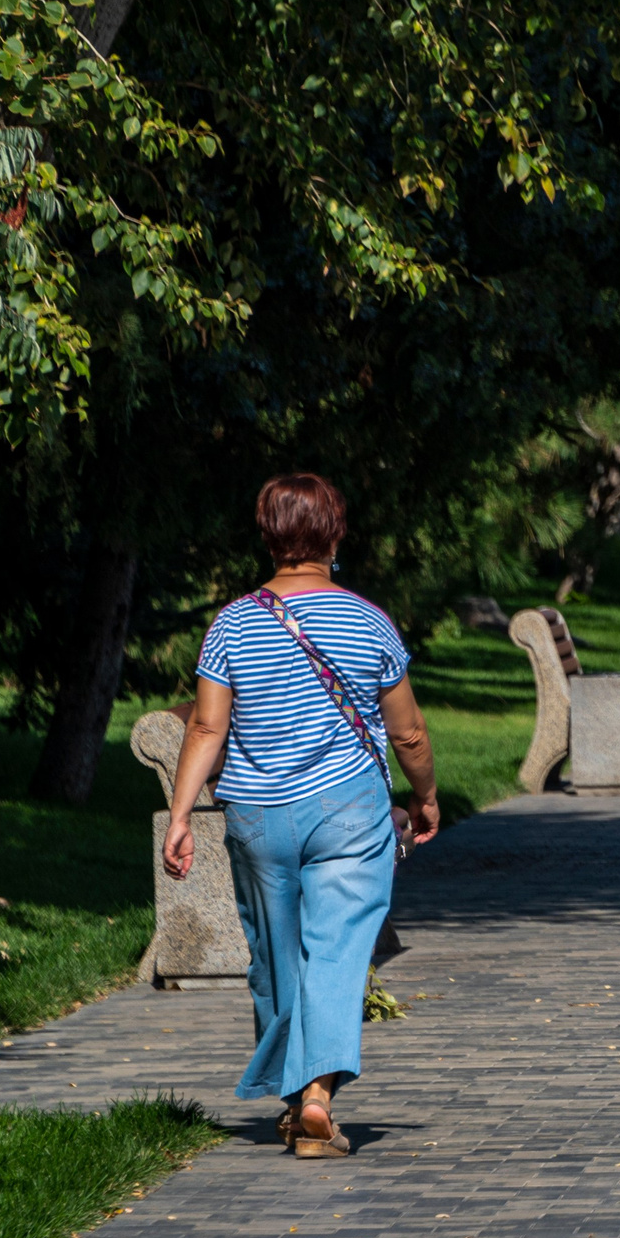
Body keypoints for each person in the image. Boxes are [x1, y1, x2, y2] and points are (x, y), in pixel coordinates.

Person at [160, 473, 441, 1159]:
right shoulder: (368, 619)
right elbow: (407, 734)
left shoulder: (231, 622)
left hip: (257, 816)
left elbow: (205, 728)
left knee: (277, 959)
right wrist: (427, 794)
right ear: (336, 533)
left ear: (268, 535)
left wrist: (180, 815)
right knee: (338, 952)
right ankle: (315, 1097)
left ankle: (298, 1104)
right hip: (349, 811)